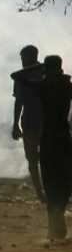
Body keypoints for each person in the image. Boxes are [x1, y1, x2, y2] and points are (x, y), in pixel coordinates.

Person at [38, 55, 72, 240]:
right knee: (64, 180)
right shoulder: (66, 85)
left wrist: (39, 71)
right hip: (63, 137)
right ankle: (57, 224)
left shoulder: (42, 86)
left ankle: (54, 226)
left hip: (49, 138)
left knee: (51, 180)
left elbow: (16, 77)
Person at [11, 45, 45, 203]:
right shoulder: (24, 76)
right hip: (31, 122)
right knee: (33, 159)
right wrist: (15, 124)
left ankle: (44, 191)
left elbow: (19, 102)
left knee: (42, 158)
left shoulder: (43, 73)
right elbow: (19, 101)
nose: (22, 61)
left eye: (24, 58)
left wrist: (15, 124)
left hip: (41, 121)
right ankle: (40, 192)